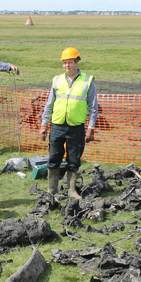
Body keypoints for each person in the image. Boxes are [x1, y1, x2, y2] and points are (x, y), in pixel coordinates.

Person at [39, 47, 97, 199]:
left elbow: (93, 106)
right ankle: (52, 190)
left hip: (76, 127)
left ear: (77, 62)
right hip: (57, 125)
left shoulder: (87, 80)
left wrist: (91, 127)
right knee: (54, 157)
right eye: (64, 63)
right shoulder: (57, 80)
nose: (67, 66)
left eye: (70, 62)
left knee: (74, 159)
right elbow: (49, 104)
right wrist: (44, 124)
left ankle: (71, 190)